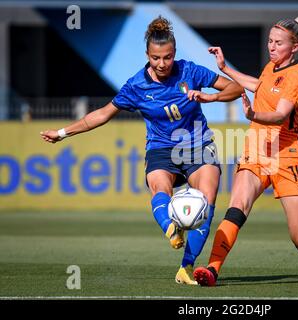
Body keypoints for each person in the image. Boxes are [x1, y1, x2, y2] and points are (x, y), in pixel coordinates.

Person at [40, 16, 243, 285]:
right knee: (160, 189)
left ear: (174, 54)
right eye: (156, 58)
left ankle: (186, 267)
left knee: (206, 201)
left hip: (197, 146)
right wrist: (63, 133)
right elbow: (102, 114)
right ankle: (171, 229)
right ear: (147, 55)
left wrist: (211, 96)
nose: (162, 64)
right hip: (160, 148)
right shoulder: (136, 85)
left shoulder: (191, 72)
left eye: (168, 57)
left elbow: (236, 87)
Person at [193, 12, 298, 286]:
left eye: (278, 43)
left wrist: (252, 115)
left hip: (287, 155)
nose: (271, 47)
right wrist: (225, 68)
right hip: (257, 148)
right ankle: (212, 270)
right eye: (270, 41)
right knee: (237, 206)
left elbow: (281, 114)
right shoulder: (271, 68)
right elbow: (258, 86)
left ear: (295, 47)